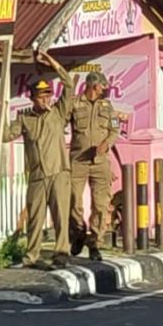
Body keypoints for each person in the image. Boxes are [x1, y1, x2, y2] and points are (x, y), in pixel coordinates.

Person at [3, 51, 75, 269]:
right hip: (37, 174)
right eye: (41, 97)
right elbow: (6, 136)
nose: (45, 100)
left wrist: (52, 62)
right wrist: (3, 109)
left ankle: (61, 255)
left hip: (59, 173)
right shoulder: (25, 118)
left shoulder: (59, 113)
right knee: (35, 217)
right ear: (32, 98)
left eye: (48, 96)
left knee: (61, 216)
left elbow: (69, 84)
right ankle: (31, 256)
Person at [69, 71, 119, 261]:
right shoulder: (75, 103)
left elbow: (115, 129)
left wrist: (107, 143)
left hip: (100, 161)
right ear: (93, 86)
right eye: (101, 87)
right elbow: (61, 121)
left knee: (101, 204)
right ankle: (79, 232)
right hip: (78, 160)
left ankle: (95, 243)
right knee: (73, 200)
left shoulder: (107, 106)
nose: (104, 90)